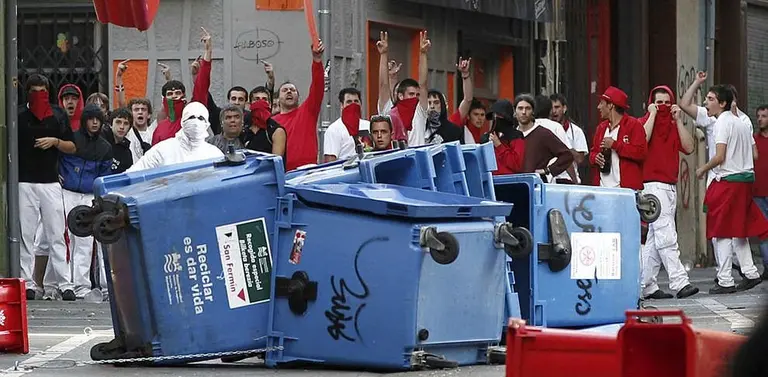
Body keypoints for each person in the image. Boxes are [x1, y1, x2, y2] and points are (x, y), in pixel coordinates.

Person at [696, 85, 768, 294]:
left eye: (710, 99)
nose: (706, 103)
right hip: (745, 180)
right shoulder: (743, 124)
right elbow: (753, 155)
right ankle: (750, 272)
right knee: (738, 230)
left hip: (729, 180)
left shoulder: (721, 124)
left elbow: (719, 156)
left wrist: (703, 169)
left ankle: (725, 279)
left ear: (722, 103)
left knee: (722, 231)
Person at [637, 85, 699, 299]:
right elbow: (642, 141)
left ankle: (645, 285)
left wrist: (678, 121)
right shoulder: (644, 122)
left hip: (669, 186)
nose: (662, 106)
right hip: (652, 186)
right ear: (651, 103)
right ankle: (680, 281)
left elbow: (689, 148)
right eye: (658, 102)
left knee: (654, 240)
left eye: (666, 102)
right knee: (666, 234)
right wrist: (652, 114)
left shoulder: (674, 125)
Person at [19, 74, 77, 301]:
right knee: (26, 234)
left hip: (50, 181)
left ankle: (65, 283)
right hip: (24, 181)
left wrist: (54, 141)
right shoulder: (19, 115)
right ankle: (27, 283)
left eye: (43, 91)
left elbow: (72, 146)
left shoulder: (58, 115)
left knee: (57, 234)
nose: (39, 95)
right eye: (34, 91)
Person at [58, 104, 113, 299]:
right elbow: (56, 158)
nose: (95, 122)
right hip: (67, 192)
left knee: (84, 241)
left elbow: (105, 176)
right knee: (63, 238)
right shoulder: (71, 140)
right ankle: (63, 284)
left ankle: (81, 286)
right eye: (91, 118)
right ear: (85, 120)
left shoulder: (105, 148)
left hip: (90, 196)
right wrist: (57, 174)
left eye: (98, 119)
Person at [272, 41, 325, 170]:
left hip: (308, 172)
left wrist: (317, 61)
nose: (289, 92)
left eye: (293, 90)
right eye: (285, 90)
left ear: (298, 97)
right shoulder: (272, 122)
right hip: (283, 175)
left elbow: (317, 87)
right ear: (278, 99)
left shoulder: (307, 111)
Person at [128, 102, 225, 172]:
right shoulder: (163, 149)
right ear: (183, 122)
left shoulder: (215, 154)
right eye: (191, 117)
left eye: (200, 118)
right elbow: (135, 173)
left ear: (207, 124)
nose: (195, 122)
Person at [588, 86, 647, 190]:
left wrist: (615, 145)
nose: (598, 107)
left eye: (602, 103)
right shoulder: (601, 128)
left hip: (625, 190)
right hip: (602, 189)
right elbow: (592, 153)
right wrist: (595, 158)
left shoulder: (634, 125)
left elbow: (641, 153)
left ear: (611, 105)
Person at [323, 88, 372, 162]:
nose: (353, 105)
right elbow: (330, 161)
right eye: (349, 102)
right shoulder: (333, 130)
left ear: (361, 104)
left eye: (356, 101)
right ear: (342, 105)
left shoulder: (369, 125)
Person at [550, 93, 589, 183]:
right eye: (551, 108)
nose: (554, 111)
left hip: (569, 180)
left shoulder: (576, 131)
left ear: (564, 108)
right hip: (550, 180)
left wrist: (563, 145)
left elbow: (580, 159)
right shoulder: (545, 129)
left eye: (557, 107)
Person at [484, 99, 524, 175]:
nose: (496, 118)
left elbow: (517, 165)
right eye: (494, 116)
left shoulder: (516, 136)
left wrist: (499, 146)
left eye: (499, 116)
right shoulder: (486, 137)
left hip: (510, 182)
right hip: (490, 182)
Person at [752, 104, 768, 280]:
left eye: (764, 116)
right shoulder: (753, 140)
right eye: (758, 116)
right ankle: (767, 266)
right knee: (764, 232)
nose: (760, 119)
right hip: (757, 192)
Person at [102, 108, 134, 174]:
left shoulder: (127, 154)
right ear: (111, 124)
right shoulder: (100, 141)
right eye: (118, 122)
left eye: (126, 123)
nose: (122, 127)